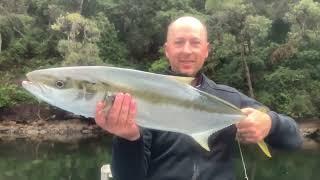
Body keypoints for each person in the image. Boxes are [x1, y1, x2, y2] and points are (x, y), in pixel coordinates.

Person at [95, 16, 302, 180]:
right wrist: (128, 139)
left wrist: (270, 123)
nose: (187, 50)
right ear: (167, 50)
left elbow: (294, 140)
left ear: (206, 50)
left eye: (195, 43)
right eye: (178, 42)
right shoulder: (140, 99)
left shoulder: (228, 98)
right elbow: (128, 176)